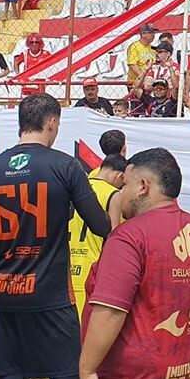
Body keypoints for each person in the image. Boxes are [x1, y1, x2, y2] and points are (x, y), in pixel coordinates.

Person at [0, 93, 111, 379]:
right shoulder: (65, 166)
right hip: (52, 293)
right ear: (52, 122)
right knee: (65, 372)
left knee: (11, 373)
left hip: (7, 290)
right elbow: (100, 225)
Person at [79, 148, 190, 379]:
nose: (121, 192)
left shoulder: (129, 238)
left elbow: (110, 311)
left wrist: (87, 370)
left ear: (143, 186)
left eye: (125, 184)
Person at [69, 137, 127, 319]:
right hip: (92, 265)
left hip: (66, 263)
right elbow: (114, 238)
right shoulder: (113, 194)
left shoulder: (76, 186)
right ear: (119, 177)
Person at [127, 24, 159, 90]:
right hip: (136, 82)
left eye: (154, 32)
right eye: (150, 32)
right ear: (143, 34)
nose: (153, 35)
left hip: (150, 83)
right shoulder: (134, 46)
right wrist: (144, 77)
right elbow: (133, 65)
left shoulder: (153, 48)